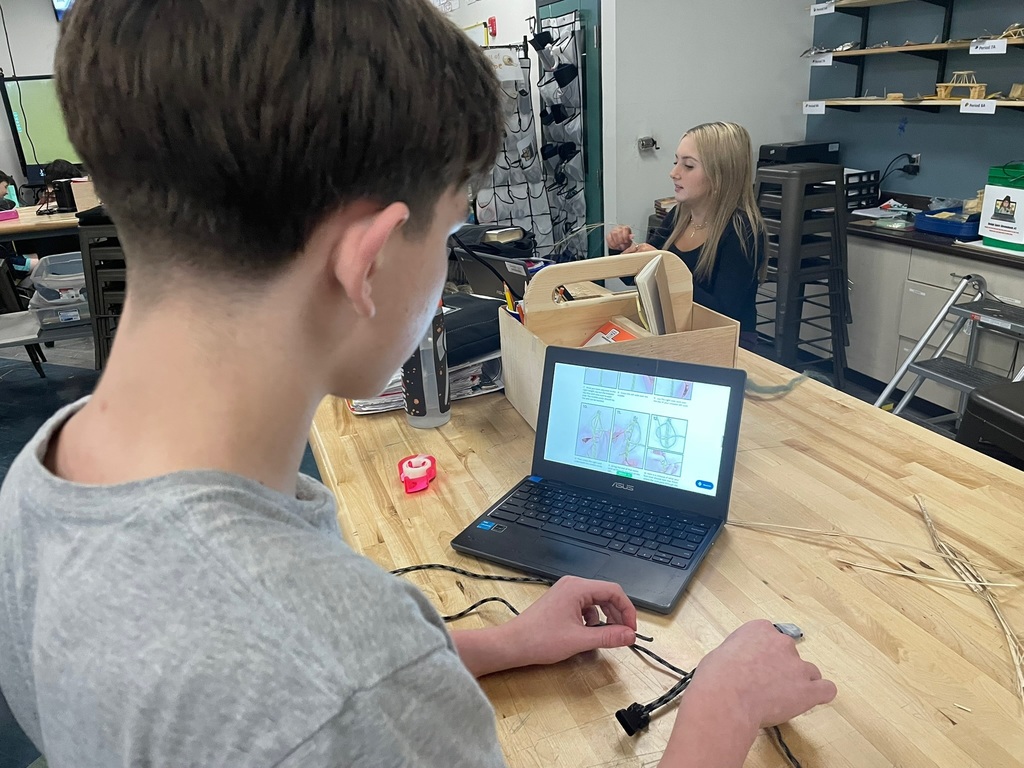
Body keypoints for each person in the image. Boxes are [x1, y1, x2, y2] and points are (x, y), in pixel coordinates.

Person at [0, 2, 835, 767]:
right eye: (451, 231)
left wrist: (493, 645)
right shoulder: (348, 684)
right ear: (367, 261)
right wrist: (723, 706)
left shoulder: (48, 479)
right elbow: (340, 693)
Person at [607, 122, 767, 350]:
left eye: (688, 166)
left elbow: (722, 314)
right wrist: (622, 250)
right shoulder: (679, 216)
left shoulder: (743, 231)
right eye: (675, 162)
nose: (673, 173)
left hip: (727, 344)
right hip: (677, 332)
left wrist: (665, 270)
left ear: (720, 174)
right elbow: (635, 278)